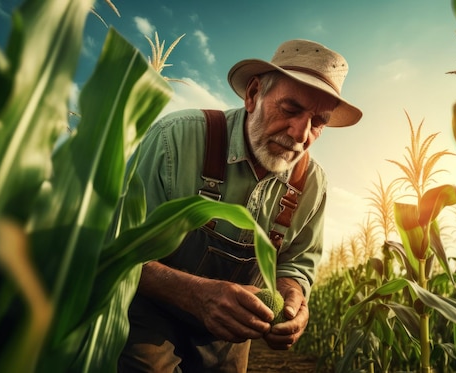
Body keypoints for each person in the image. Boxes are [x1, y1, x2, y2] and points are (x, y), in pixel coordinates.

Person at [118, 39, 362, 372]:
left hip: (230, 336)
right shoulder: (175, 139)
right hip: (146, 311)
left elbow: (296, 264)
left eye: (318, 122)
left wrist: (292, 300)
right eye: (290, 109)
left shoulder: (312, 185)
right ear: (253, 94)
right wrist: (195, 294)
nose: (301, 134)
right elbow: (120, 253)